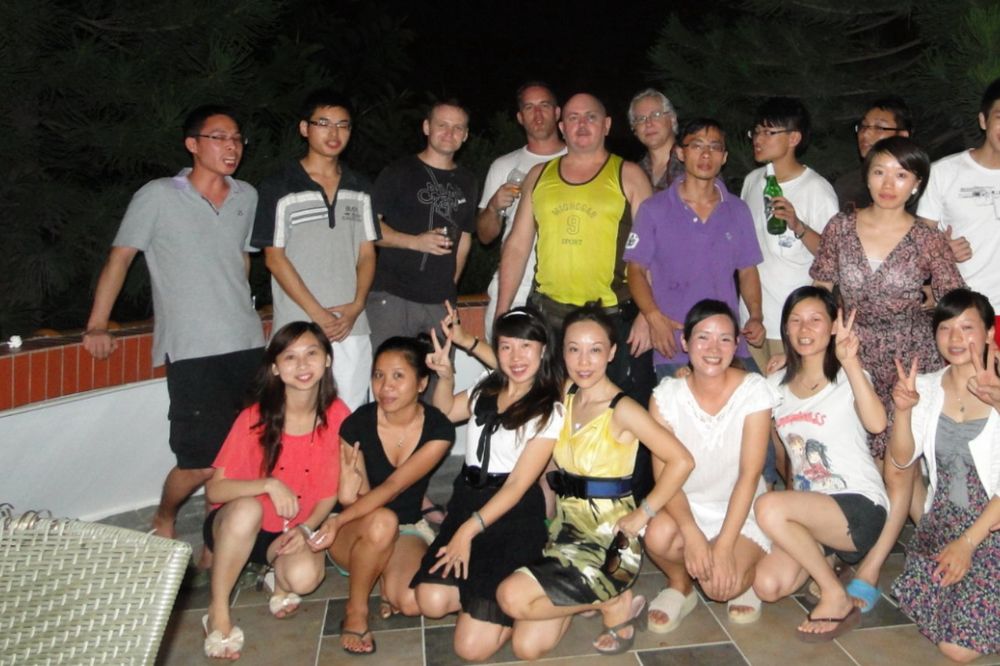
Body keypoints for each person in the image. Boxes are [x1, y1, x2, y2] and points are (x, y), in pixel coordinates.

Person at [82, 105, 265, 551]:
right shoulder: (159, 195)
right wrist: (97, 324)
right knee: (200, 460)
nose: (231, 147)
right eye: (219, 137)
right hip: (191, 348)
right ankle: (165, 515)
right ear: (192, 144)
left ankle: (216, 539)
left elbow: (241, 259)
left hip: (246, 343)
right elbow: (121, 257)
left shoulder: (247, 195)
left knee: (246, 451)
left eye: (237, 138)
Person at [809, 135, 965, 610]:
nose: (888, 183)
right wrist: (809, 349)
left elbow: (955, 298)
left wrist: (931, 303)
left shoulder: (927, 238)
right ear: (867, 174)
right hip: (852, 356)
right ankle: (939, 548)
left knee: (899, 467)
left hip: (909, 361)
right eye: (879, 171)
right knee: (862, 462)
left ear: (916, 184)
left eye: (901, 174)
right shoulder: (841, 226)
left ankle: (872, 566)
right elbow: (821, 290)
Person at [496, 304, 694, 659]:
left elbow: (682, 460)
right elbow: (518, 373)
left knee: (510, 597)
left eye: (595, 350)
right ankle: (600, 600)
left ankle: (612, 601)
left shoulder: (623, 409)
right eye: (574, 349)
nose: (584, 361)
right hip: (565, 535)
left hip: (610, 542)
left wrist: (644, 513)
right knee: (527, 647)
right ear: (562, 352)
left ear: (612, 352)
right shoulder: (565, 393)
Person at [411, 307, 564, 662]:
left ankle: (522, 603)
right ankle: (482, 603)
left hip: (512, 516)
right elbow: (445, 412)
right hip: (466, 501)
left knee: (470, 649)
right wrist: (445, 376)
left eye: (526, 346)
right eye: (506, 347)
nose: (515, 356)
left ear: (543, 350)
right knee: (431, 601)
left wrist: (467, 532)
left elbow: (517, 487)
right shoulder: (488, 384)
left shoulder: (549, 409)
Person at [201, 321, 349, 660]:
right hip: (238, 527)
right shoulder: (254, 417)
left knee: (305, 578)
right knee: (248, 509)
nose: (302, 365)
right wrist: (268, 484)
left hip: (291, 531)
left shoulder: (338, 415)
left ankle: (276, 580)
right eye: (290, 357)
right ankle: (217, 611)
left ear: (327, 359)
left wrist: (306, 528)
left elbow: (330, 491)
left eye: (312, 353)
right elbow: (215, 490)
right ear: (275, 368)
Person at [496, 92, 653, 400]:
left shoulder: (629, 175)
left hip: (612, 318)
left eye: (591, 117)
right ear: (562, 126)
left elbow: (653, 252)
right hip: (547, 316)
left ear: (606, 125)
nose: (582, 124)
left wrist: (648, 315)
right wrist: (503, 311)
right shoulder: (539, 175)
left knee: (612, 412)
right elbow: (517, 246)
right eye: (573, 118)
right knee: (545, 408)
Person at [753, 286, 889, 642]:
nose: (804, 329)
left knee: (768, 507)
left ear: (832, 327)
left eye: (815, 319)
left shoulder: (848, 376)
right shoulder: (774, 385)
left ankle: (833, 593)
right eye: (795, 320)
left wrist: (851, 361)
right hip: (811, 512)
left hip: (859, 506)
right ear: (785, 329)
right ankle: (830, 563)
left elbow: (877, 424)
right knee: (767, 585)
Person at [642, 300, 777, 631]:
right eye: (703, 337)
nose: (714, 348)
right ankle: (680, 586)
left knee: (719, 587)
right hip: (688, 506)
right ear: (685, 343)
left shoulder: (754, 390)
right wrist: (693, 534)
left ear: (736, 345)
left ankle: (747, 573)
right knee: (657, 536)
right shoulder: (665, 396)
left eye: (724, 339)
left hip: (742, 508)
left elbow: (750, 475)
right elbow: (665, 478)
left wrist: (725, 546)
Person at [889, 288, 1000, 663]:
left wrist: (968, 544)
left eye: (967, 327)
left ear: (989, 332)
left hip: (991, 523)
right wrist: (903, 410)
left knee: (956, 648)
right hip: (944, 521)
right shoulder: (927, 385)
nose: (955, 338)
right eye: (945, 328)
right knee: (933, 602)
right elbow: (902, 459)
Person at [252, 88, 378, 410]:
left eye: (343, 125)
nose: (334, 133)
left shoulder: (360, 186)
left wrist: (357, 306)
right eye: (324, 123)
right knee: (295, 415)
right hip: (296, 326)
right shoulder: (279, 186)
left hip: (351, 326)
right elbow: (274, 259)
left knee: (349, 416)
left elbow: (366, 254)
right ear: (304, 128)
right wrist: (318, 314)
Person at [624, 118, 766, 380]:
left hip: (728, 345)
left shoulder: (737, 210)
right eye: (697, 145)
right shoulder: (654, 209)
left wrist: (756, 316)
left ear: (724, 157)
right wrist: (653, 317)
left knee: (760, 400)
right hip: (675, 344)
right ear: (680, 152)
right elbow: (635, 270)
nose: (706, 154)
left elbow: (747, 270)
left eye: (714, 147)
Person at [367, 100, 478, 353]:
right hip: (393, 296)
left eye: (458, 128)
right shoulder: (399, 171)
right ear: (427, 127)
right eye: (442, 125)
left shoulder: (468, 181)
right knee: (392, 371)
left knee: (440, 372)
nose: (449, 133)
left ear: (465, 135)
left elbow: (464, 238)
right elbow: (369, 227)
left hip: (440, 302)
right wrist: (415, 242)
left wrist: (450, 285)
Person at [741, 97, 839, 372]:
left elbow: (835, 255)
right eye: (755, 132)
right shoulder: (752, 181)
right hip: (751, 322)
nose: (758, 139)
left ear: (794, 138)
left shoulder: (816, 189)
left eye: (768, 132)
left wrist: (798, 226)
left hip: (794, 324)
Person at [918, 77, 1000, 348]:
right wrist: (941, 251)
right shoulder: (944, 173)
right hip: (964, 311)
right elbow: (916, 246)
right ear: (983, 120)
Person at [478, 82, 566, 331]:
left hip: (565, 289)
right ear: (520, 117)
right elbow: (485, 236)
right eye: (529, 107)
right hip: (514, 286)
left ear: (557, 112)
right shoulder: (503, 165)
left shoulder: (579, 160)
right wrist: (493, 207)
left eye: (544, 105)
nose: (537, 114)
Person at [834, 96, 913, 212]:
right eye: (863, 126)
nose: (865, 133)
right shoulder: (846, 185)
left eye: (879, 127)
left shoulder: (918, 186)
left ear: (902, 135)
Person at [628, 88, 684, 191]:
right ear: (634, 129)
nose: (648, 123)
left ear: (672, 119)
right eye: (641, 119)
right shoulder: (632, 175)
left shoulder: (693, 163)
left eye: (656, 115)